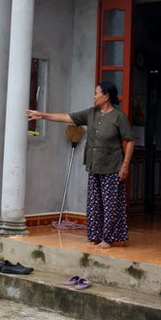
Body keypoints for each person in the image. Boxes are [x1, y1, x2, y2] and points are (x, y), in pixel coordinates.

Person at [26, 81, 134, 249]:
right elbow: (67, 117)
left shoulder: (119, 117)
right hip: (94, 165)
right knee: (94, 203)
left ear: (106, 96)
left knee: (111, 204)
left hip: (113, 166)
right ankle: (95, 236)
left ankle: (108, 238)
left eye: (97, 93)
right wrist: (42, 115)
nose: (94, 96)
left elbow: (130, 141)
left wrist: (125, 165)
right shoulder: (91, 114)